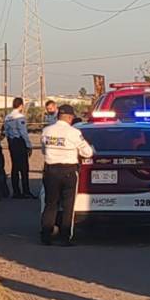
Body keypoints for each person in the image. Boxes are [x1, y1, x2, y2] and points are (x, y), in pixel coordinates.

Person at [40, 104, 94, 246]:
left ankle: (46, 235)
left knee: (50, 204)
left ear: (58, 116)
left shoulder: (46, 131)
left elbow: (44, 150)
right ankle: (65, 237)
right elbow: (87, 152)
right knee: (68, 206)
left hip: (50, 171)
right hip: (68, 172)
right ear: (70, 118)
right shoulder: (74, 133)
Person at [4, 97, 34, 198]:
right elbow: (23, 132)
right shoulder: (20, 117)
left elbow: (6, 131)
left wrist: (9, 141)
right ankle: (26, 191)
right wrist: (29, 145)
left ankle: (16, 191)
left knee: (15, 167)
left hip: (12, 142)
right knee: (24, 168)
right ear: (21, 105)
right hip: (20, 142)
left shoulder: (7, 117)